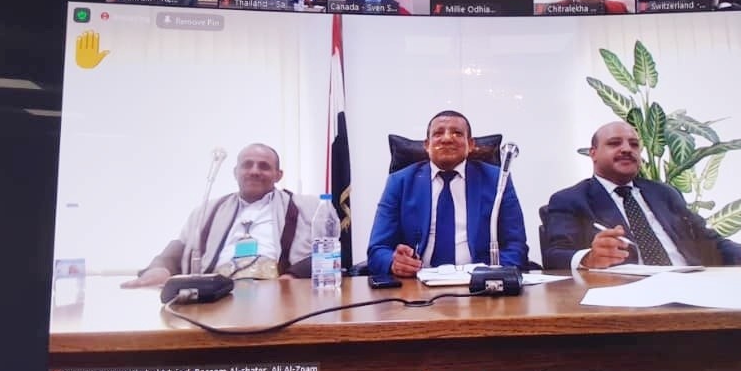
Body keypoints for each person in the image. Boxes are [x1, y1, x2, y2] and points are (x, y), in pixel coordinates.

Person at [544, 121, 741, 270]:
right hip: (626, 295)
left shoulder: (665, 193)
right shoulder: (570, 200)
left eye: (634, 144)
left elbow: (708, 240)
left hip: (692, 284)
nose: (626, 149)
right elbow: (554, 255)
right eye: (615, 143)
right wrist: (589, 258)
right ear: (593, 153)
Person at [121, 143, 321, 288]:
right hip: (218, 294)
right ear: (235, 172)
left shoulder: (309, 207)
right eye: (247, 165)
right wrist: (160, 269)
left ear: (278, 175)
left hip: (278, 293)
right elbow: (180, 248)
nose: (254, 171)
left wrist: (292, 277)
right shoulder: (208, 210)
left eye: (264, 166)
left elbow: (332, 252)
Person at [367, 110, 529, 277]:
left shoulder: (497, 180)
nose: (447, 139)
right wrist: (394, 262)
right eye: (438, 133)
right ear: (427, 145)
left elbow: (516, 246)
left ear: (470, 144)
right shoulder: (400, 182)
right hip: (417, 284)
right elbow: (377, 250)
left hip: (479, 283)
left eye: (457, 133)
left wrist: (492, 276)